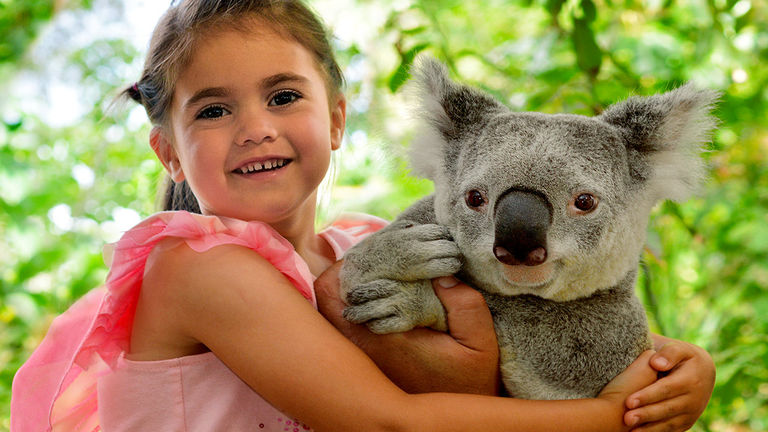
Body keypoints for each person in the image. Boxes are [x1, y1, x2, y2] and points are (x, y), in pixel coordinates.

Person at [10, 1, 714, 431]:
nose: (255, 127)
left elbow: (536, 322)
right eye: (215, 109)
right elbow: (391, 422)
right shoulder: (198, 268)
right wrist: (619, 418)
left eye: (283, 95)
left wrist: (679, 368)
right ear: (168, 152)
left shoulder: (372, 243)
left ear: (338, 118)